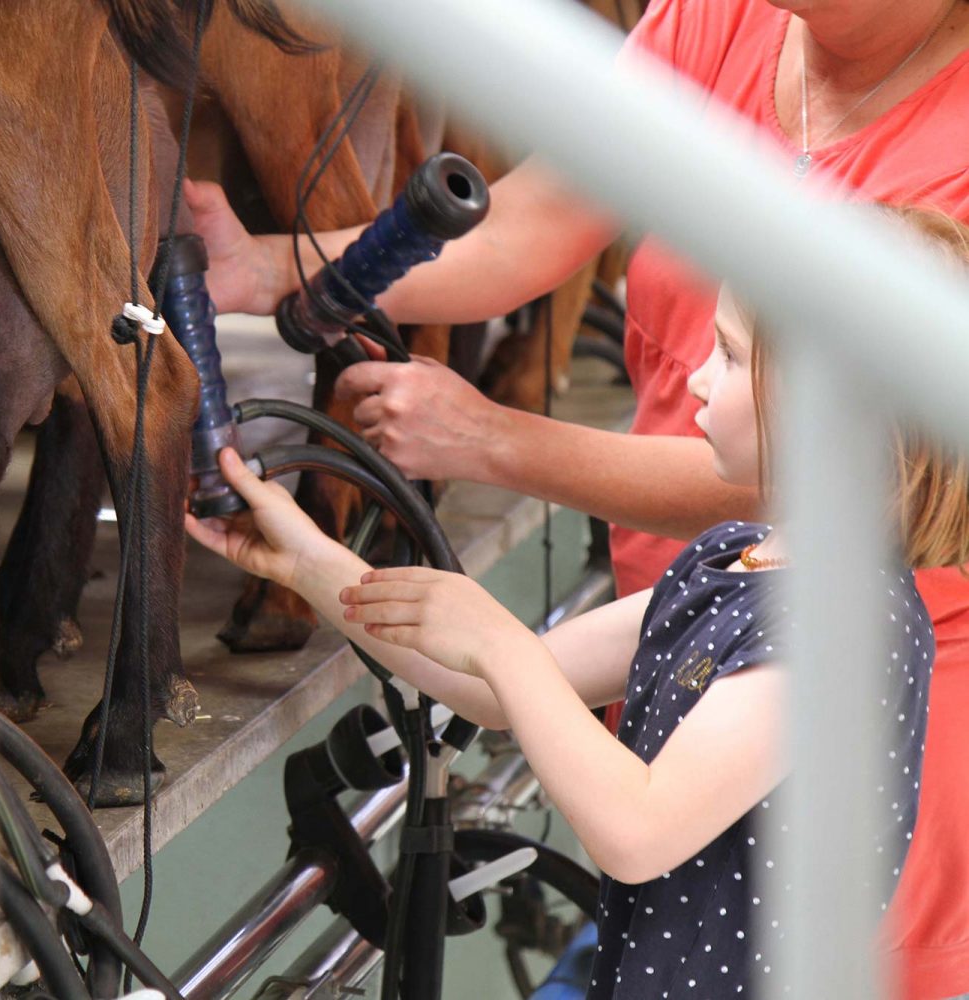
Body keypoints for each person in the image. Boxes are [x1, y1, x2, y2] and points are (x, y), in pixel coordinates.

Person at [184, 1, 969, 993]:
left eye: (726, 359)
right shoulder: (734, 569)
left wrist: (497, 603)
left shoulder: (843, 629)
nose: (686, 380)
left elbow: (635, 826)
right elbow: (492, 684)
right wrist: (303, 554)